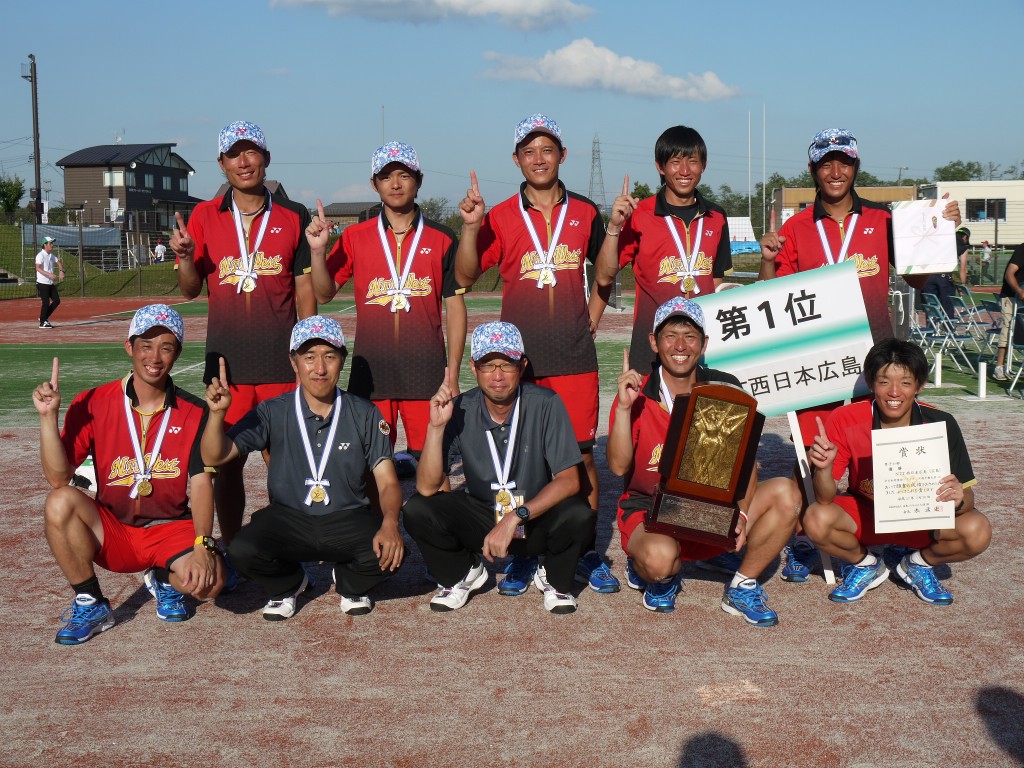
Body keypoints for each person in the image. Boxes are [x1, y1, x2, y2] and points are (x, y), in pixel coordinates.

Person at [757, 128, 961, 579]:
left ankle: (889, 536)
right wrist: (769, 256)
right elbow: (773, 292)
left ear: (855, 168)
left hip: (876, 359)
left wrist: (938, 230)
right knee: (817, 451)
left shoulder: (886, 220)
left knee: (883, 447)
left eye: (844, 162)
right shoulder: (795, 227)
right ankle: (804, 542)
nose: (835, 171)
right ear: (812, 170)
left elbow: (917, 281)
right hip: (817, 364)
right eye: (826, 163)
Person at [454, 113, 618, 595]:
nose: (539, 158)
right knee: (522, 459)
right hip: (518, 359)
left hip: (572, 357)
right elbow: (465, 275)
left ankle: (583, 549)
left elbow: (605, 272)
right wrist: (470, 228)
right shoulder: (502, 215)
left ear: (562, 155)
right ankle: (528, 551)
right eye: (529, 151)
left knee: (583, 458)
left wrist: (589, 317)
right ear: (516, 160)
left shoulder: (586, 211)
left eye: (547, 149)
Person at [33, 304, 224, 645]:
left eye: (166, 347)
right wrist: (48, 419)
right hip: (115, 530)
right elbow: (59, 479)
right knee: (60, 501)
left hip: (170, 528)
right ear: (129, 347)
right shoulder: (93, 402)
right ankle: (90, 601)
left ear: (177, 352)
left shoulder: (196, 412)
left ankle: (165, 577)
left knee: (211, 584)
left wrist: (203, 545)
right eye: (146, 345)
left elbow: (201, 482)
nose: (155, 356)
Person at [606, 297, 801, 622]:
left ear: (704, 343)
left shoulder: (724, 387)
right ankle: (652, 566)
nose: (680, 345)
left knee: (787, 495)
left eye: (690, 336)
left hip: (709, 508)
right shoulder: (636, 394)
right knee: (659, 560)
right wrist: (624, 408)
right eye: (670, 335)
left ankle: (742, 583)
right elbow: (618, 467)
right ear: (654, 342)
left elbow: (747, 462)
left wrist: (740, 513)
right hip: (650, 508)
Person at [201, 315, 404, 620]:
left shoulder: (364, 412)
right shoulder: (272, 410)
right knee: (241, 549)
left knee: (393, 555)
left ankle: (349, 582)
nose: (319, 368)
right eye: (309, 357)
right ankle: (290, 584)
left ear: (342, 361)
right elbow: (216, 456)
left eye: (329, 356)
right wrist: (217, 415)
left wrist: (390, 523)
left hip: (347, 517)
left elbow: (387, 482)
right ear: (294, 363)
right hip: (289, 519)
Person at [171, 120, 316, 545]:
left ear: (266, 158)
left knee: (286, 461)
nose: (244, 161)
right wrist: (183, 258)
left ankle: (291, 543)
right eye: (234, 154)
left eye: (251, 152)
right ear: (222, 164)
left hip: (278, 362)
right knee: (226, 464)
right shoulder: (202, 216)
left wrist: (306, 353)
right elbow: (191, 288)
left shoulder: (293, 214)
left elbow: (305, 291)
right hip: (225, 366)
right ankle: (234, 548)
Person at [403, 321, 593, 614]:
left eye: (507, 364)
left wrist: (514, 517)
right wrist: (436, 427)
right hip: (483, 514)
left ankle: (553, 577)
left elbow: (569, 481)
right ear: (473, 367)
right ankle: (463, 572)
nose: (497, 376)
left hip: (532, 517)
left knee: (578, 512)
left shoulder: (545, 403)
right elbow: (427, 487)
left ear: (522, 365)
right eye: (488, 365)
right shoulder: (460, 408)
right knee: (417, 509)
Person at [307, 141, 467, 461]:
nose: (395, 184)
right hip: (372, 375)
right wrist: (317, 252)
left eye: (404, 175)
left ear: (419, 180)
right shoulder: (355, 236)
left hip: (426, 373)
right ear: (374, 184)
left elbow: (455, 307)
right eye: (386, 176)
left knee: (433, 465)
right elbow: (323, 294)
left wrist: (451, 373)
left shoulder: (443, 238)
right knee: (370, 466)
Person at [803, 339, 991, 604]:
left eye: (905, 382)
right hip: (868, 513)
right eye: (883, 382)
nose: (894, 392)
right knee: (816, 518)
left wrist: (959, 498)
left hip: (924, 518)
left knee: (977, 530)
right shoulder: (845, 418)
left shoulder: (941, 422)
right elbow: (824, 498)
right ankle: (866, 564)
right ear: (870, 384)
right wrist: (823, 468)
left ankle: (918, 564)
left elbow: (968, 500)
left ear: (920, 385)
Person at [593, 124, 733, 373]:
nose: (684, 170)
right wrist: (614, 226)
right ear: (660, 166)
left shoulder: (717, 217)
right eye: (675, 161)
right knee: (650, 411)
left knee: (698, 411)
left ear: (704, 165)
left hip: (701, 345)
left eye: (693, 161)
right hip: (651, 344)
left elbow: (716, 282)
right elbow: (604, 275)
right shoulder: (639, 216)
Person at [992, 242, 1024, 382]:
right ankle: (999, 367)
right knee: (1009, 328)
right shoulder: (1022, 249)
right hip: (1011, 296)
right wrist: (1020, 291)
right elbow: (1009, 273)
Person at [35, 236, 63, 329]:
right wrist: (49, 275)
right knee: (46, 303)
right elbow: (37, 267)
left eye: (52, 243)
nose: (52, 245)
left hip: (50, 283)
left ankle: (43, 318)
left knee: (57, 301)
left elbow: (58, 262)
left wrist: (61, 271)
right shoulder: (40, 255)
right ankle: (42, 323)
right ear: (45, 245)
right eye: (50, 243)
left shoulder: (51, 255)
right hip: (42, 284)